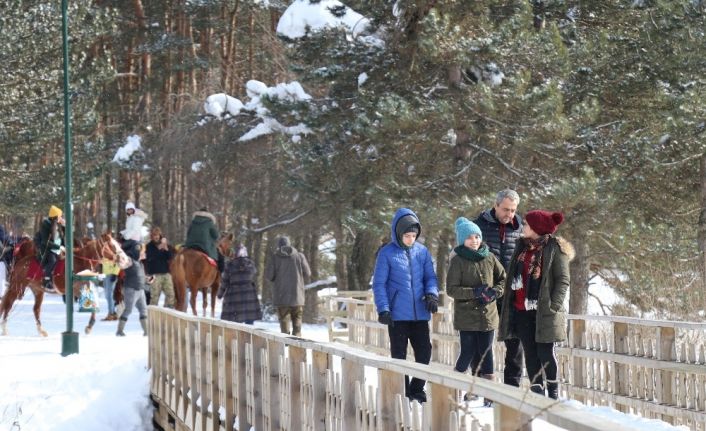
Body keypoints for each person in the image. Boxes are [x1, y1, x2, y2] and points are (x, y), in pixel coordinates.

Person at [497, 210, 573, 399]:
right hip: (521, 309)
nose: (523, 227)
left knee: (545, 352)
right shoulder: (521, 247)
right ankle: (537, 391)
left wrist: (553, 306)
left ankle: (553, 391)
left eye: (527, 224)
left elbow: (563, 280)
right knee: (530, 353)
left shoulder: (555, 248)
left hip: (544, 311)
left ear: (537, 228)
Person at [372, 208, 439, 404]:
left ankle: (417, 389)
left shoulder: (422, 252)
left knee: (424, 354)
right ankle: (403, 392)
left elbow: (430, 278)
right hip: (397, 315)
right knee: (399, 357)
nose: (411, 239)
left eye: (414, 235)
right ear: (398, 233)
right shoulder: (386, 253)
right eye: (407, 235)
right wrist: (383, 308)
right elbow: (379, 284)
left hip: (420, 314)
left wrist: (431, 295)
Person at [447, 217, 506, 405]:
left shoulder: (489, 257)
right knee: (468, 352)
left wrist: (494, 293)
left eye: (477, 236)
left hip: (488, 316)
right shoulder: (458, 261)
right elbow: (452, 289)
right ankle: (455, 390)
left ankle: (490, 396)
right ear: (462, 240)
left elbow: (503, 278)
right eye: (470, 237)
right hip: (467, 317)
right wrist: (474, 292)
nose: (474, 240)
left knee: (487, 352)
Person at [474, 189, 525, 388]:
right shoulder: (478, 226)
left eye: (513, 210)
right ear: (495, 206)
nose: (509, 214)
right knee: (483, 341)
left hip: (512, 291)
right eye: (505, 209)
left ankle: (512, 388)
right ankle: (481, 387)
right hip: (486, 291)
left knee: (515, 342)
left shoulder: (520, 228)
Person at [265, 235, 311, 336]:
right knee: (297, 325)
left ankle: (286, 345)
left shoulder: (274, 258)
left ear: (279, 245)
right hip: (297, 296)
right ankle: (297, 345)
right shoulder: (300, 256)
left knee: (284, 325)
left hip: (282, 297)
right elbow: (308, 273)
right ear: (290, 244)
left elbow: (269, 276)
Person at [218, 244, 262, 324]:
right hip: (249, 296)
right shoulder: (250, 265)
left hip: (234, 297)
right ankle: (248, 336)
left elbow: (224, 281)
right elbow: (254, 275)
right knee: (249, 321)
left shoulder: (230, 265)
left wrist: (219, 295)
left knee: (236, 322)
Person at [116, 240, 148, 336]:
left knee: (143, 310)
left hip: (140, 289)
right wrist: (119, 258)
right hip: (131, 289)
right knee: (128, 310)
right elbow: (122, 263)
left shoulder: (140, 263)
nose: (144, 253)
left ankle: (146, 331)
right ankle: (119, 331)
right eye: (142, 251)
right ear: (136, 250)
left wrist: (147, 279)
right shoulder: (129, 260)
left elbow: (139, 275)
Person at [35, 205, 66, 293]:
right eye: (59, 216)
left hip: (58, 250)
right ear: (55, 217)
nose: (61, 218)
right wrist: (59, 247)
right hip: (47, 250)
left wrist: (64, 226)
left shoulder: (58, 225)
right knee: (52, 261)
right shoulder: (46, 225)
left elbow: (63, 237)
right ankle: (46, 280)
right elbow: (46, 242)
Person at [184, 208, 224, 272]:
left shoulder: (193, 222)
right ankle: (219, 275)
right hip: (205, 247)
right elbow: (216, 236)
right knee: (220, 258)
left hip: (190, 245)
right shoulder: (209, 222)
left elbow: (188, 233)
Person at [145, 227, 175, 308]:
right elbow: (150, 258)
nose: (156, 237)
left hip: (166, 273)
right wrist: (159, 249)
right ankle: (152, 317)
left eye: (158, 235)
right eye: (154, 235)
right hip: (153, 275)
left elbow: (170, 257)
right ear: (152, 236)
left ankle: (167, 312)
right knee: (154, 297)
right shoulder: (148, 246)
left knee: (171, 295)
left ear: (160, 235)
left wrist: (166, 249)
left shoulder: (165, 245)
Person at [100, 232, 121, 320]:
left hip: (111, 274)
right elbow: (106, 260)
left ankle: (111, 313)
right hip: (106, 273)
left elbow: (118, 260)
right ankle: (113, 312)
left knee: (109, 295)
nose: (104, 242)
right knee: (107, 295)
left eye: (106, 239)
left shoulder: (115, 247)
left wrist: (115, 274)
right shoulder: (105, 248)